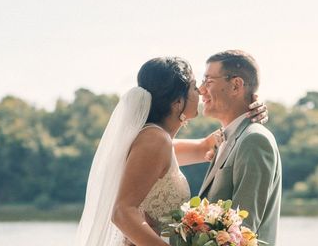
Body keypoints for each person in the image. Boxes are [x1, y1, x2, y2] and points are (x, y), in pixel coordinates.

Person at [75, 56, 267, 246]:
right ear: (177, 102)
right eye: (193, 86)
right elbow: (122, 212)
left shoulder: (159, 141)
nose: (200, 91)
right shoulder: (154, 140)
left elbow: (206, 146)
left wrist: (250, 107)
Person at [198, 50, 282, 245]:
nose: (201, 89)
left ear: (236, 85)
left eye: (208, 81)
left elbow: (242, 232)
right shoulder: (226, 138)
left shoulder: (254, 140)